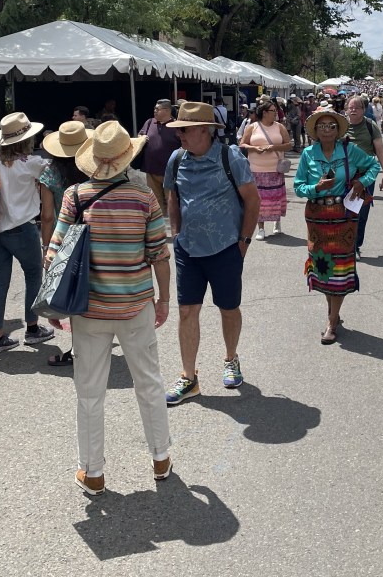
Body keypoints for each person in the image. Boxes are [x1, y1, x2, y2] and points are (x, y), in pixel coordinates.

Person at [46, 121, 173, 494]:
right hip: (136, 306)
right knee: (149, 382)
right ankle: (160, 458)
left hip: (88, 311)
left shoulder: (75, 196)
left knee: (89, 392)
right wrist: (163, 300)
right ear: (126, 158)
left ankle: (93, 473)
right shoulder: (144, 198)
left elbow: (54, 254)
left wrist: (55, 306)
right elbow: (159, 255)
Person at [163, 102, 260, 403]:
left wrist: (243, 242)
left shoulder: (230, 157)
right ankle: (188, 377)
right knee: (186, 311)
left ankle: (231, 358)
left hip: (226, 248)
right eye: (179, 130)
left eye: (185, 129)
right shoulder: (177, 158)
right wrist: (176, 233)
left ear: (205, 130)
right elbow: (172, 196)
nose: (180, 135)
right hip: (188, 249)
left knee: (228, 308)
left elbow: (252, 200)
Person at [293, 107, 381, 345]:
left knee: (340, 268)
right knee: (324, 266)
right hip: (317, 218)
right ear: (315, 130)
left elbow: (373, 166)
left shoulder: (349, 150)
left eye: (331, 126)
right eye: (322, 126)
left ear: (338, 130)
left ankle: (332, 321)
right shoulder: (308, 154)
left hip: (344, 216)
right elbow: (298, 187)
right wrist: (316, 188)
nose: (327, 130)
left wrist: (362, 183)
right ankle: (333, 312)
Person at [0, 112, 55, 354]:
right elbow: (55, 175)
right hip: (22, 229)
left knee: (0, 280)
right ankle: (32, 328)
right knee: (33, 275)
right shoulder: (31, 163)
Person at [39, 120, 88, 367]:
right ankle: (94, 345)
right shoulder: (91, 167)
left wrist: (46, 247)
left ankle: (79, 350)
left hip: (65, 241)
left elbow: (47, 216)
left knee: (72, 293)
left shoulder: (49, 174)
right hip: (92, 235)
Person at [344, 94, 383, 254]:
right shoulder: (341, 125)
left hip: (365, 176)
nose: (353, 110)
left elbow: (380, 151)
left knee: (361, 212)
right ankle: (344, 243)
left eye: (357, 107)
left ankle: (355, 245)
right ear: (346, 110)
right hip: (343, 176)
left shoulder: (370, 125)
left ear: (364, 110)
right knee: (342, 210)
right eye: (350, 107)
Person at [240, 99, 292, 239]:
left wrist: (274, 147)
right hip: (256, 170)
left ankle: (277, 222)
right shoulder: (253, 127)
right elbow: (242, 144)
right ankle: (261, 229)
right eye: (273, 111)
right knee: (260, 200)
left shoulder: (279, 127)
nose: (276, 113)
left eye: (276, 111)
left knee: (275, 198)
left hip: (275, 169)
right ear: (264, 112)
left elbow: (288, 145)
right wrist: (254, 148)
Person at [138, 99, 182, 221]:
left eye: (157, 109)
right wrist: (141, 137)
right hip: (151, 170)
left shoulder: (176, 125)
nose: (155, 111)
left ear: (167, 110)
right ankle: (159, 225)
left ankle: (174, 225)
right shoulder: (149, 122)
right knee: (155, 201)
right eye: (154, 108)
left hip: (170, 172)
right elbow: (140, 135)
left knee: (171, 200)